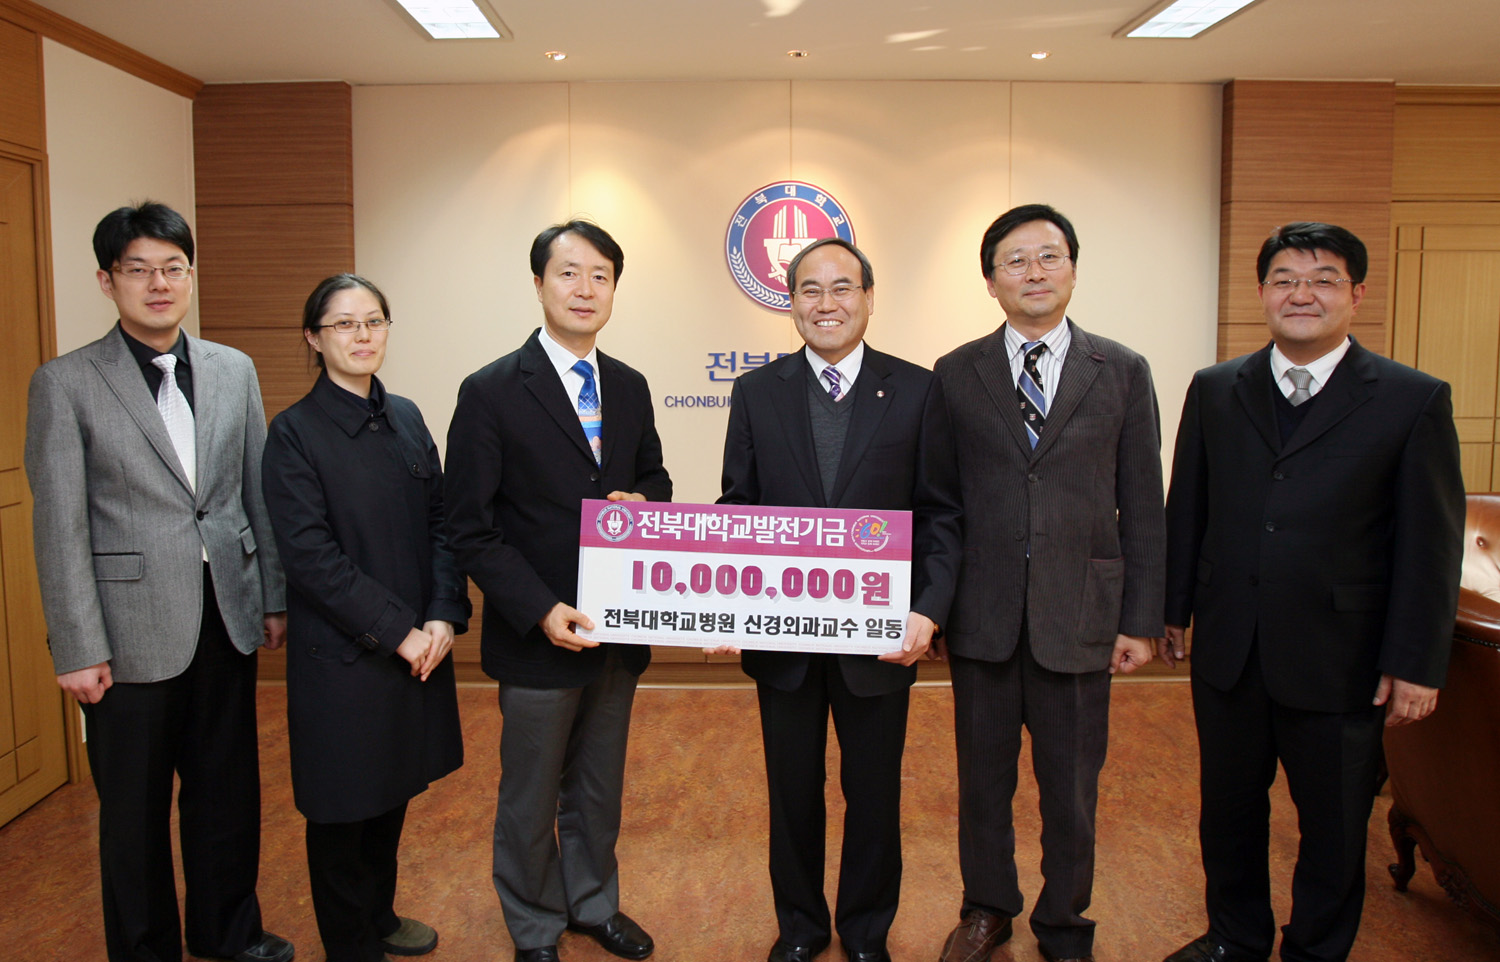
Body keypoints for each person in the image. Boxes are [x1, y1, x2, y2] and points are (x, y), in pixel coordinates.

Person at [1160, 222, 1464, 962]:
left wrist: (1416, 662)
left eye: (1324, 279)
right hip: (1231, 648)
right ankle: (1233, 938)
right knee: (1228, 813)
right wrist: (1171, 612)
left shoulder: (1411, 399)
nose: (1302, 294)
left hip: (1342, 658)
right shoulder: (1216, 388)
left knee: (1333, 825)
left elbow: (1430, 544)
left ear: (1357, 295)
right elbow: (1187, 507)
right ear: (1262, 292)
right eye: (1285, 280)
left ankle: (1315, 950)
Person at [24, 202, 293, 962]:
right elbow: (60, 526)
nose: (159, 283)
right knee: (133, 812)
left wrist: (272, 595)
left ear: (191, 275)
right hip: (126, 631)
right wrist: (77, 645)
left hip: (226, 614)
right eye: (138, 269)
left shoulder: (233, 369)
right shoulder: (67, 383)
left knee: (226, 792)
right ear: (107, 281)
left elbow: (254, 490)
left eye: (173, 267)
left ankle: (228, 931)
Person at [717, 237, 963, 962]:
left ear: (868, 298)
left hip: (881, 639)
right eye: (810, 290)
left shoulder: (918, 390)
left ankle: (864, 932)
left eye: (842, 288)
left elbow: (942, 513)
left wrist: (930, 608)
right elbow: (739, 509)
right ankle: (800, 929)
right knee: (792, 795)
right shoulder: (757, 392)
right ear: (790, 303)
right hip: (783, 642)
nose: (826, 303)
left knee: (874, 796)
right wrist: (721, 599)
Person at [932, 204, 1166, 962]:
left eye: (1049, 257)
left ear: (1072, 269)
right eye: (1015, 260)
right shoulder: (955, 373)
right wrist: (934, 608)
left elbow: (1144, 502)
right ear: (990, 281)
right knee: (982, 785)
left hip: (1082, 615)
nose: (1033, 272)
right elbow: (940, 503)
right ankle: (986, 909)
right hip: (983, 616)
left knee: (1071, 790)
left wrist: (1141, 620)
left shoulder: (1122, 369)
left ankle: (1064, 921)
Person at [444, 220, 672, 962]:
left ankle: (593, 902)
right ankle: (535, 924)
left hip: (617, 628)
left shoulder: (629, 385)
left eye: (601, 275)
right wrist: (539, 608)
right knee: (531, 793)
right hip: (539, 631)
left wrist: (645, 503)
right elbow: (469, 527)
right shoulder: (489, 391)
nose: (584, 289)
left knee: (598, 786)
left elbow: (655, 478)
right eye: (569, 273)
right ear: (539, 283)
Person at [261, 274, 469, 962]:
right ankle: (350, 944)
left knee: (393, 790)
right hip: (344, 657)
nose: (361, 335)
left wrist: (442, 615)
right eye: (343, 324)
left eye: (373, 321)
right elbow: (311, 557)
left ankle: (379, 915)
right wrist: (399, 631)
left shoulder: (405, 416)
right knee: (342, 808)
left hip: (416, 645)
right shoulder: (293, 433)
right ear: (313, 338)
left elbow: (442, 524)